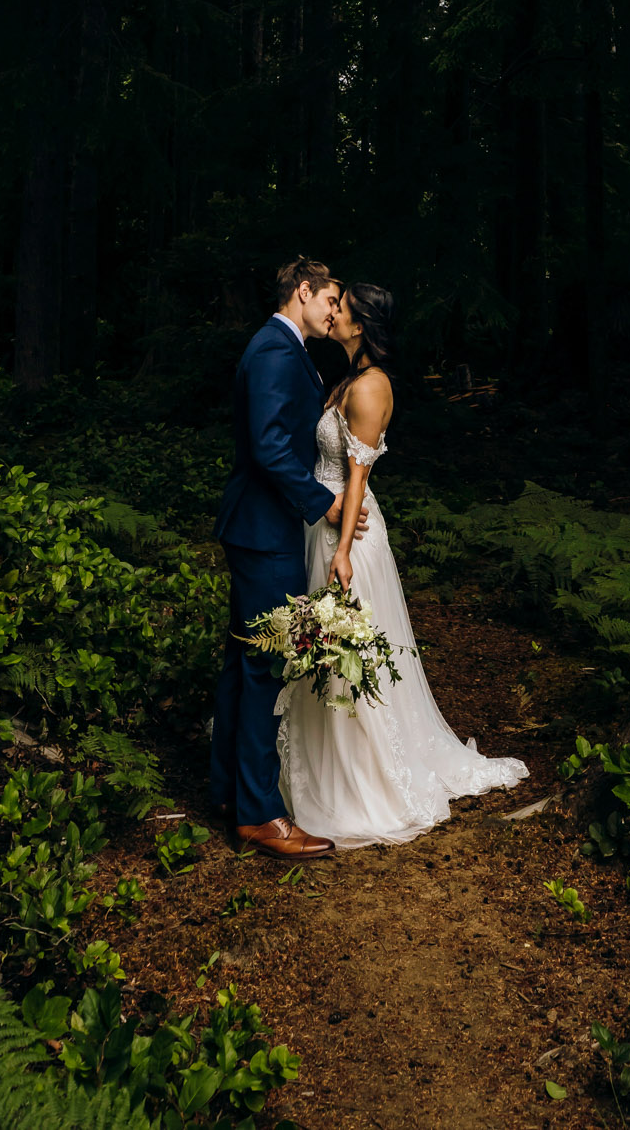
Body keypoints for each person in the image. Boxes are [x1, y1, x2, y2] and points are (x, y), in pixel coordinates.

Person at [279, 279, 528, 847]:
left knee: (349, 653)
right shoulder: (344, 378)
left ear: (360, 324)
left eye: (340, 307)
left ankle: (362, 778)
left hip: (348, 532)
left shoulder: (370, 387)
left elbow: (358, 476)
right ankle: (318, 764)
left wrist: (341, 550)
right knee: (325, 651)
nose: (332, 311)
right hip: (320, 522)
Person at [209, 256, 366, 859]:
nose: (335, 312)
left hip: (256, 526)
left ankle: (228, 792)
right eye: (331, 300)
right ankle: (258, 816)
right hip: (265, 529)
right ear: (303, 291)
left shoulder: (280, 346)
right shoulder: (276, 350)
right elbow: (270, 445)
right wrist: (322, 504)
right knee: (262, 666)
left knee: (240, 661)